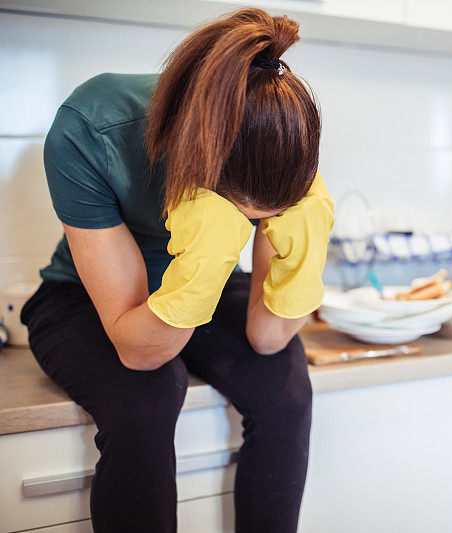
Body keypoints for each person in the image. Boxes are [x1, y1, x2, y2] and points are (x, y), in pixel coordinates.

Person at [20, 8, 333, 532]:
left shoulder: (278, 140)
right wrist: (208, 255)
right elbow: (142, 352)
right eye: (238, 214)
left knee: (286, 388)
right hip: (83, 297)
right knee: (146, 396)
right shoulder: (93, 127)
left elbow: (267, 339)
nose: (252, 226)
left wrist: (301, 265)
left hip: (199, 292)